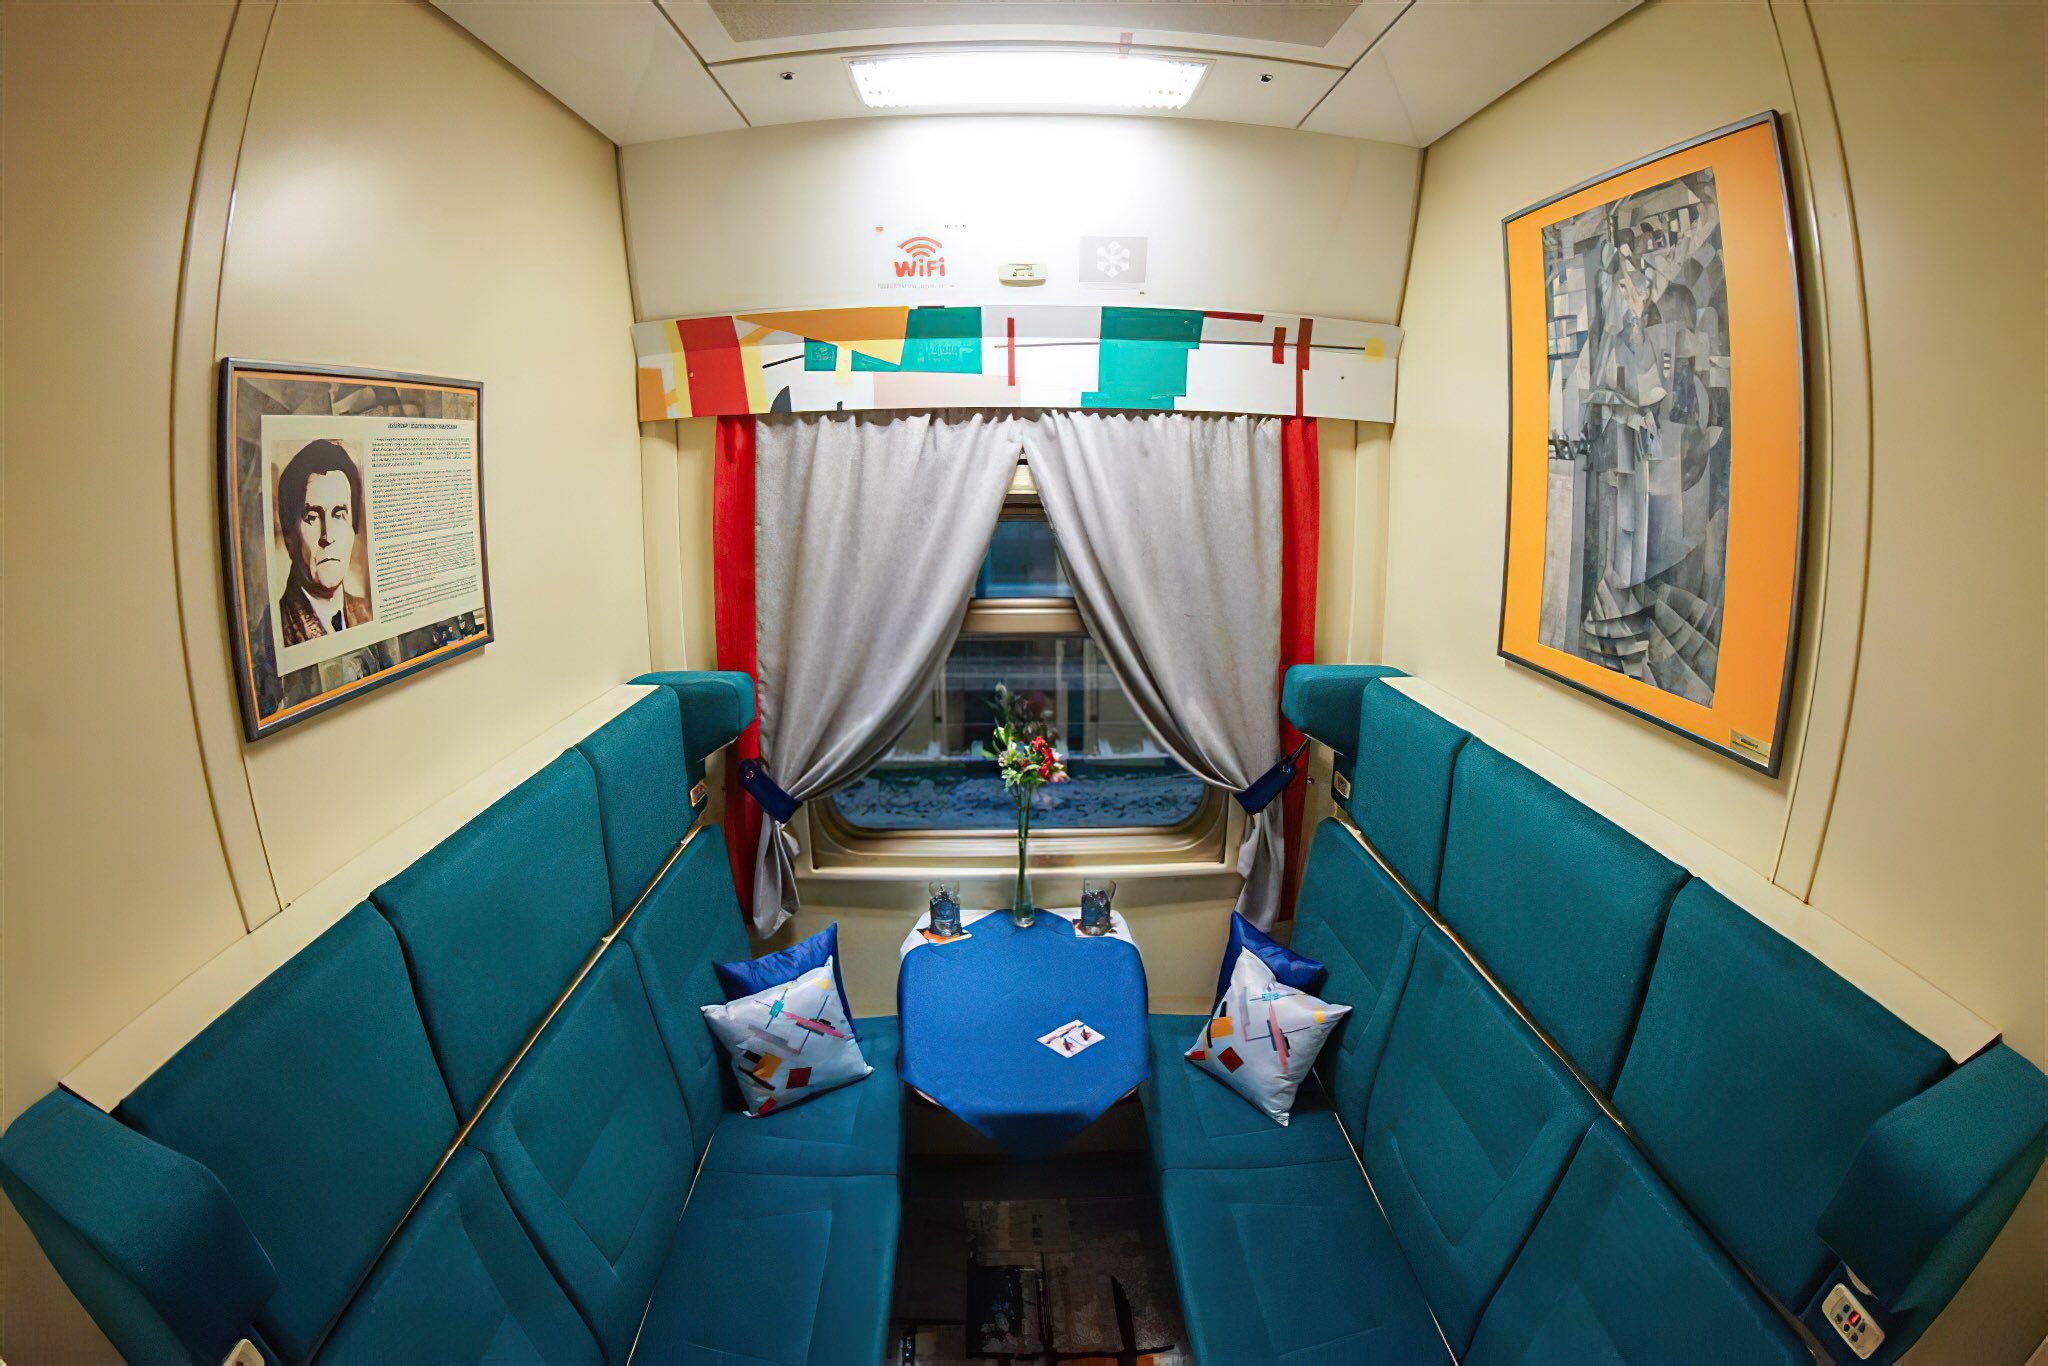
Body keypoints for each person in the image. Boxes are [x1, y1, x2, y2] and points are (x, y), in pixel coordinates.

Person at [275, 439, 371, 645]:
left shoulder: (366, 613)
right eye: (312, 517)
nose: (328, 536)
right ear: (289, 536)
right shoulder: (276, 631)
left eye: (339, 514)